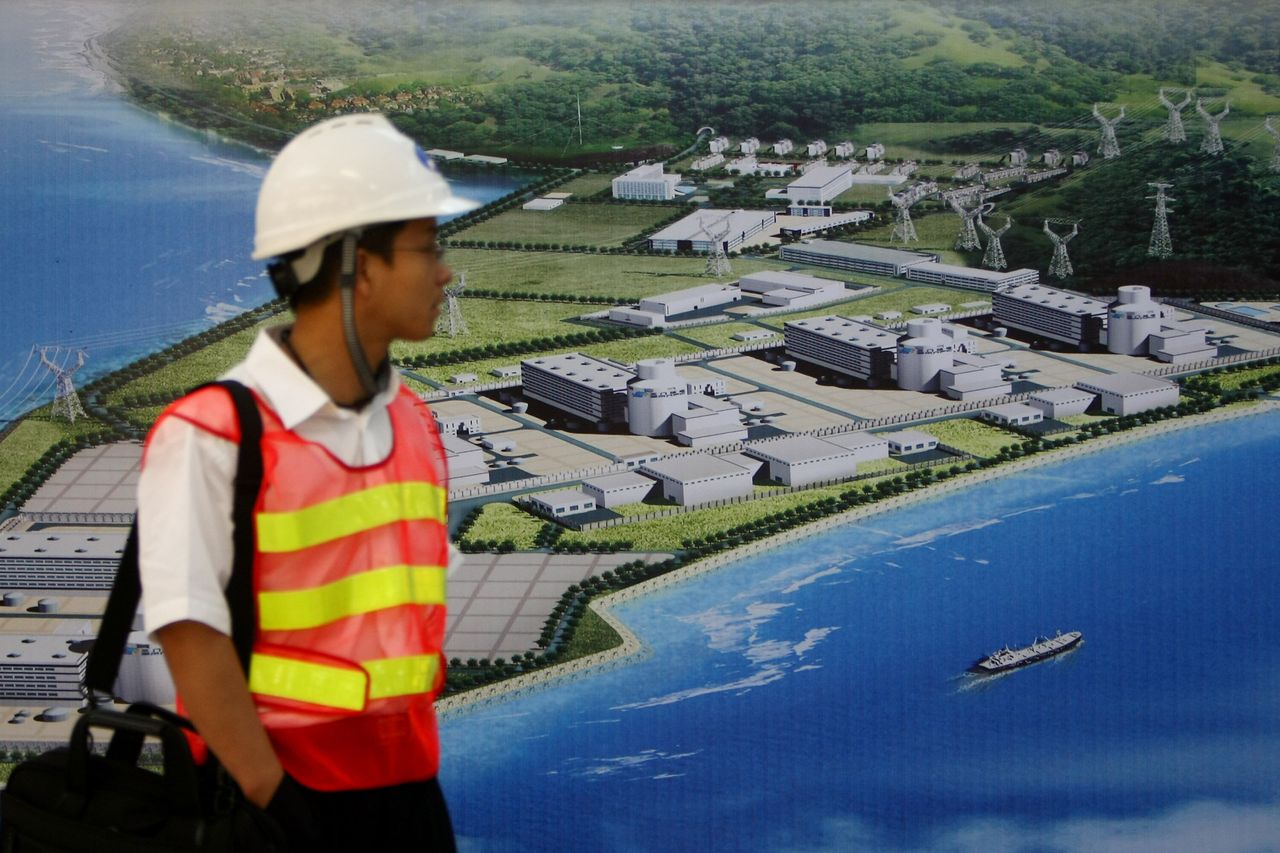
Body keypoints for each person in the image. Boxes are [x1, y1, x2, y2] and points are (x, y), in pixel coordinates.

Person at [137, 114, 478, 851]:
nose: (444, 271)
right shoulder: (211, 434)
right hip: (277, 808)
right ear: (356, 262)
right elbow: (191, 638)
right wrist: (278, 805)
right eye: (425, 248)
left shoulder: (414, 422)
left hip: (409, 795)